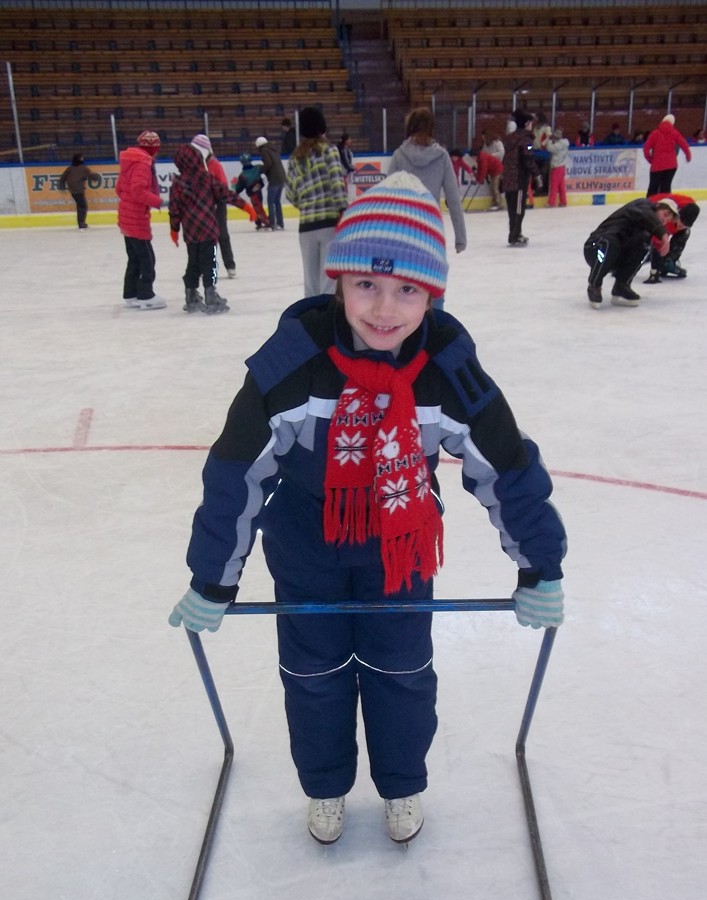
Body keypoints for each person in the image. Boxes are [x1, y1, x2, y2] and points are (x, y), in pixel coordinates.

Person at [168, 171, 567, 847]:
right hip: (306, 542)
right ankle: (325, 785)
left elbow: (505, 465)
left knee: (400, 669)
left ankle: (402, 781)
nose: (384, 309)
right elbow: (236, 471)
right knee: (312, 674)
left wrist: (540, 565)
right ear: (339, 282)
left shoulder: (447, 370)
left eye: (407, 289)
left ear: (432, 294)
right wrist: (212, 577)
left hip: (399, 546)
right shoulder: (293, 364)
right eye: (366, 284)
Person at [169, 142, 256, 314]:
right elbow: (226, 194)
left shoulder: (177, 184)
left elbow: (174, 209)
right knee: (210, 263)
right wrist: (246, 207)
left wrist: (174, 229)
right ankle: (210, 295)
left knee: (193, 263)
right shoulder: (206, 178)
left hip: (191, 233)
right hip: (208, 230)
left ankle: (191, 295)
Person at [387, 107, 467, 282]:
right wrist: (460, 238)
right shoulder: (442, 156)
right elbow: (454, 199)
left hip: (404, 228)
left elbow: (385, 197)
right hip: (431, 226)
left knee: (405, 283)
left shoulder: (399, 155)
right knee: (432, 280)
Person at [285, 106, 348, 297]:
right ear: (322, 128)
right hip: (329, 224)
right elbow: (337, 183)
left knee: (311, 284)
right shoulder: (329, 151)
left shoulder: (295, 159)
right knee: (328, 281)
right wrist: (343, 210)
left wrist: (307, 205)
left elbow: (291, 194)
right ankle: (327, 315)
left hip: (306, 227)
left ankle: (311, 315)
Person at [583, 197, 676, 308]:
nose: (664, 221)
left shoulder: (647, 228)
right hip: (595, 246)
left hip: (616, 255)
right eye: (665, 215)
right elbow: (643, 213)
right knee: (609, 242)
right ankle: (594, 285)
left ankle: (621, 285)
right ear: (657, 206)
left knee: (644, 243)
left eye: (667, 221)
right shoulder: (642, 204)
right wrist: (663, 234)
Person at [116, 129, 166, 310]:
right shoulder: (142, 163)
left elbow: (119, 188)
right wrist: (158, 201)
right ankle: (145, 295)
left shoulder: (130, 161)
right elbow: (138, 191)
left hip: (126, 215)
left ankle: (131, 294)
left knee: (135, 258)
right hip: (136, 217)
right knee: (147, 259)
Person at [191, 134, 237, 278]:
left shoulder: (215, 164)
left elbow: (223, 185)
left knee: (222, 235)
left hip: (217, 205)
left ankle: (230, 265)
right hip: (202, 206)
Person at [502, 110, 541, 246]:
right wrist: (537, 174)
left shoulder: (509, 139)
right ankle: (515, 235)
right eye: (531, 123)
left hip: (508, 179)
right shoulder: (525, 140)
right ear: (526, 124)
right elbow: (528, 159)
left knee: (512, 210)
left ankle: (514, 233)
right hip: (519, 180)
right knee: (519, 210)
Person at [644, 192, 700, 283]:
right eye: (681, 221)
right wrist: (654, 272)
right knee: (654, 242)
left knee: (684, 232)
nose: (682, 225)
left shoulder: (690, 206)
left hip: (666, 207)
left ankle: (669, 260)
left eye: (686, 224)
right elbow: (656, 242)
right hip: (647, 212)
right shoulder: (666, 219)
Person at [643, 114, 692, 196]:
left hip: (657, 165)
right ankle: (665, 202)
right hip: (671, 165)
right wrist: (688, 156)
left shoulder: (655, 133)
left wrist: (650, 160)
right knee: (666, 187)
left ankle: (650, 202)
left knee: (653, 187)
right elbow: (684, 145)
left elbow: (646, 149)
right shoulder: (675, 133)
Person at [255, 135, 287, 230]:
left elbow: (268, 163)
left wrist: (261, 170)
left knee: (270, 201)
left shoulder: (265, 150)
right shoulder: (273, 150)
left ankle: (272, 223)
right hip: (281, 178)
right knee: (277, 201)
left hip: (274, 179)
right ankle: (280, 223)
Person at [58, 152, 97, 230]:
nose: (83, 159)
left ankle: (81, 223)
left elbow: (63, 178)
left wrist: (62, 186)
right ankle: (81, 223)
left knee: (80, 205)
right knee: (82, 206)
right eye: (82, 158)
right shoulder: (84, 168)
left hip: (73, 190)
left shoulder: (70, 168)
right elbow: (93, 177)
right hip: (78, 190)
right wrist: (96, 177)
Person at [232, 154, 271, 230]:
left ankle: (266, 222)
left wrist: (235, 190)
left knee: (258, 208)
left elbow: (239, 188)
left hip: (252, 194)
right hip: (259, 191)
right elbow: (266, 169)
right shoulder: (257, 168)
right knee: (259, 206)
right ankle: (259, 221)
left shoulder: (242, 175)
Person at [546, 128, 570, 208]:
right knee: (561, 186)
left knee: (554, 185)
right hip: (562, 167)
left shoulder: (557, 146)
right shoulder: (565, 143)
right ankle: (563, 201)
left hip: (556, 167)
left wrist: (549, 140)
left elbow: (549, 148)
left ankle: (551, 202)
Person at [337, 133, 356, 198]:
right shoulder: (343, 150)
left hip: (344, 172)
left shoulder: (346, 149)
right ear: (346, 141)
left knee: (344, 186)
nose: (351, 140)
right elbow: (345, 161)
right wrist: (352, 168)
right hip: (342, 172)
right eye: (349, 139)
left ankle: (345, 198)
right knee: (343, 187)